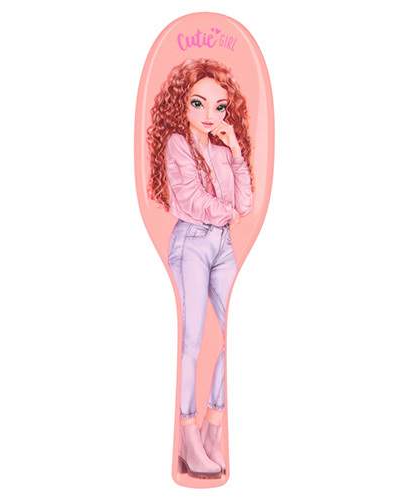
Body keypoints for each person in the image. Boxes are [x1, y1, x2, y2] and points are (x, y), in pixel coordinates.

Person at [147, 58, 253, 479]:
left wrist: (237, 152)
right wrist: (228, 213)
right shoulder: (177, 143)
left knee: (236, 335)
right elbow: (192, 199)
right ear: (183, 103)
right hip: (190, 241)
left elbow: (244, 204)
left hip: (222, 245)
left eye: (219, 106)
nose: (210, 114)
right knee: (191, 341)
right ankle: (187, 436)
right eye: (198, 103)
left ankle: (213, 427)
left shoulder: (223, 152)